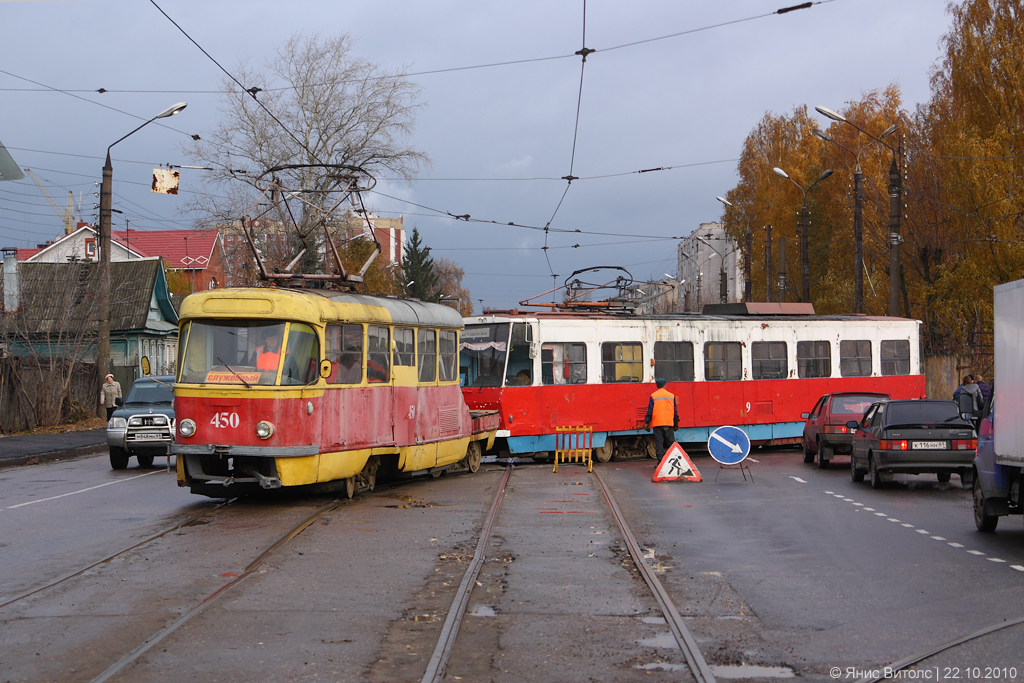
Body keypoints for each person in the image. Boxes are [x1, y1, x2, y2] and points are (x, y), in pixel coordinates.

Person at [644, 377, 679, 459]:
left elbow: (650, 411)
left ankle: (660, 461)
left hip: (657, 423)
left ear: (657, 386)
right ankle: (674, 460)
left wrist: (647, 422)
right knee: (671, 443)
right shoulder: (671, 396)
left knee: (659, 443)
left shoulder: (653, 396)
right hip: (668, 423)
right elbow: (675, 412)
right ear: (665, 385)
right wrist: (676, 423)